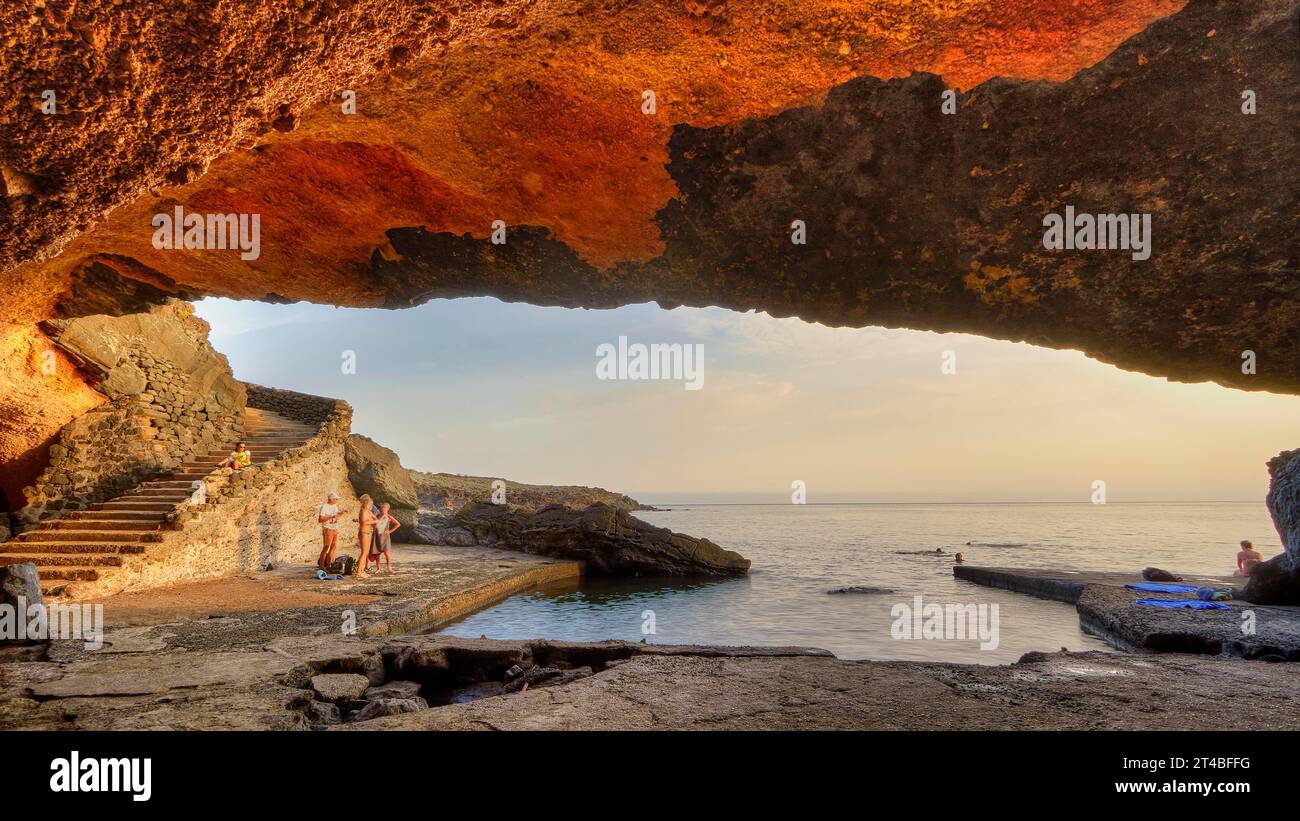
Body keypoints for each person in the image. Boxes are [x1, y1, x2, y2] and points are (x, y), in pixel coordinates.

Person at [317, 492, 348, 571]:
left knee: (333, 546)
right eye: (335, 499)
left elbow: (336, 516)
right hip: (328, 528)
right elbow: (320, 519)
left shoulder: (335, 506)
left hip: (334, 528)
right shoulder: (324, 506)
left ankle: (329, 565)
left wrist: (341, 513)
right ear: (331, 499)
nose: (337, 500)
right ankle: (321, 566)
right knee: (326, 547)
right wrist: (331, 516)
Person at [368, 501, 401, 575]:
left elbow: (398, 524)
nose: (382, 509)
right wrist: (372, 528)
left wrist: (390, 531)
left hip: (385, 537)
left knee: (387, 554)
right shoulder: (377, 515)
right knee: (377, 553)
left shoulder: (389, 517)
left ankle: (389, 568)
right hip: (377, 536)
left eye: (384, 507)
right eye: (381, 507)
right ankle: (378, 568)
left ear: (387, 509)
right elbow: (374, 524)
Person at [353, 494, 377, 579]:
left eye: (372, 505)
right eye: (370, 505)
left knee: (366, 553)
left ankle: (361, 570)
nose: (371, 506)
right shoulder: (363, 511)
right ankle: (359, 572)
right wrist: (372, 522)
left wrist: (374, 521)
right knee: (364, 553)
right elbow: (364, 522)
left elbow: (376, 519)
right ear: (366, 504)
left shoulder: (369, 511)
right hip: (363, 533)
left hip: (368, 533)